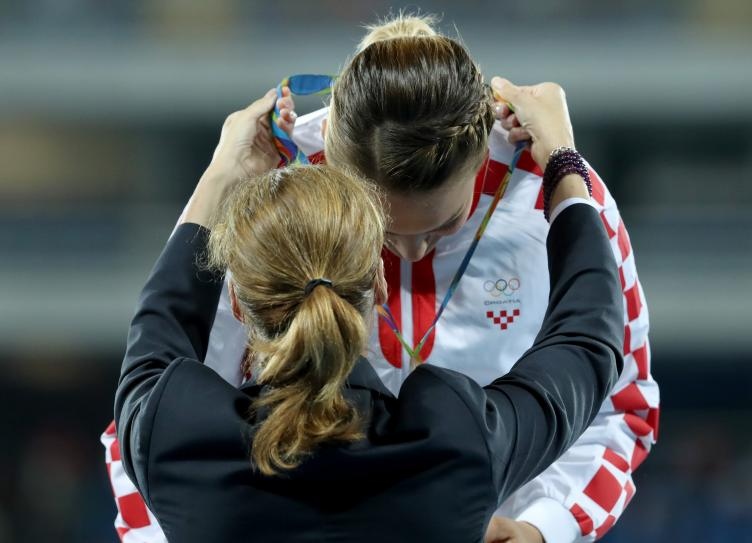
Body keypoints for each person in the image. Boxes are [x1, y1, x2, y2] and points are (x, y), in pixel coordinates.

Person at [103, 14, 659, 543]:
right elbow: (594, 353)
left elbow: (153, 396)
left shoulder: (544, 198)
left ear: (474, 163)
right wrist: (566, 160)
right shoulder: (569, 202)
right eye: (381, 232)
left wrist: (546, 523)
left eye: (445, 224)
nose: (411, 250)